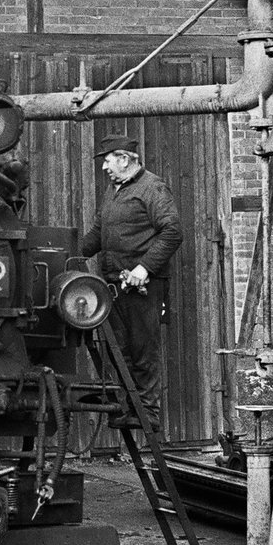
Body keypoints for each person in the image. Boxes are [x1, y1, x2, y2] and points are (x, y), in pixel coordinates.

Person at [79, 134, 183, 432]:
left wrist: (144, 268)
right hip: (113, 285)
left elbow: (173, 232)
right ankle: (128, 407)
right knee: (119, 350)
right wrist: (70, 252)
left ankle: (147, 414)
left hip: (142, 287)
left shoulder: (152, 188)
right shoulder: (115, 191)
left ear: (124, 159)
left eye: (108, 160)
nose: (104, 168)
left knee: (142, 350)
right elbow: (98, 234)